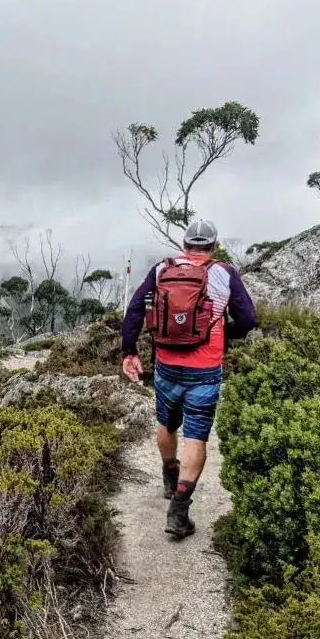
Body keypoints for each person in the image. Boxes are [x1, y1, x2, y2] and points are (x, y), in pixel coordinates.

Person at [120, 219, 257, 539]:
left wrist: (129, 352)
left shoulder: (161, 270)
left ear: (184, 244)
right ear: (212, 247)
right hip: (205, 371)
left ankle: (170, 475)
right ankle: (179, 512)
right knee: (196, 436)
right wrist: (225, 337)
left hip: (166, 364)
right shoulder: (224, 273)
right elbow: (249, 319)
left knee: (166, 423)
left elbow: (135, 310)